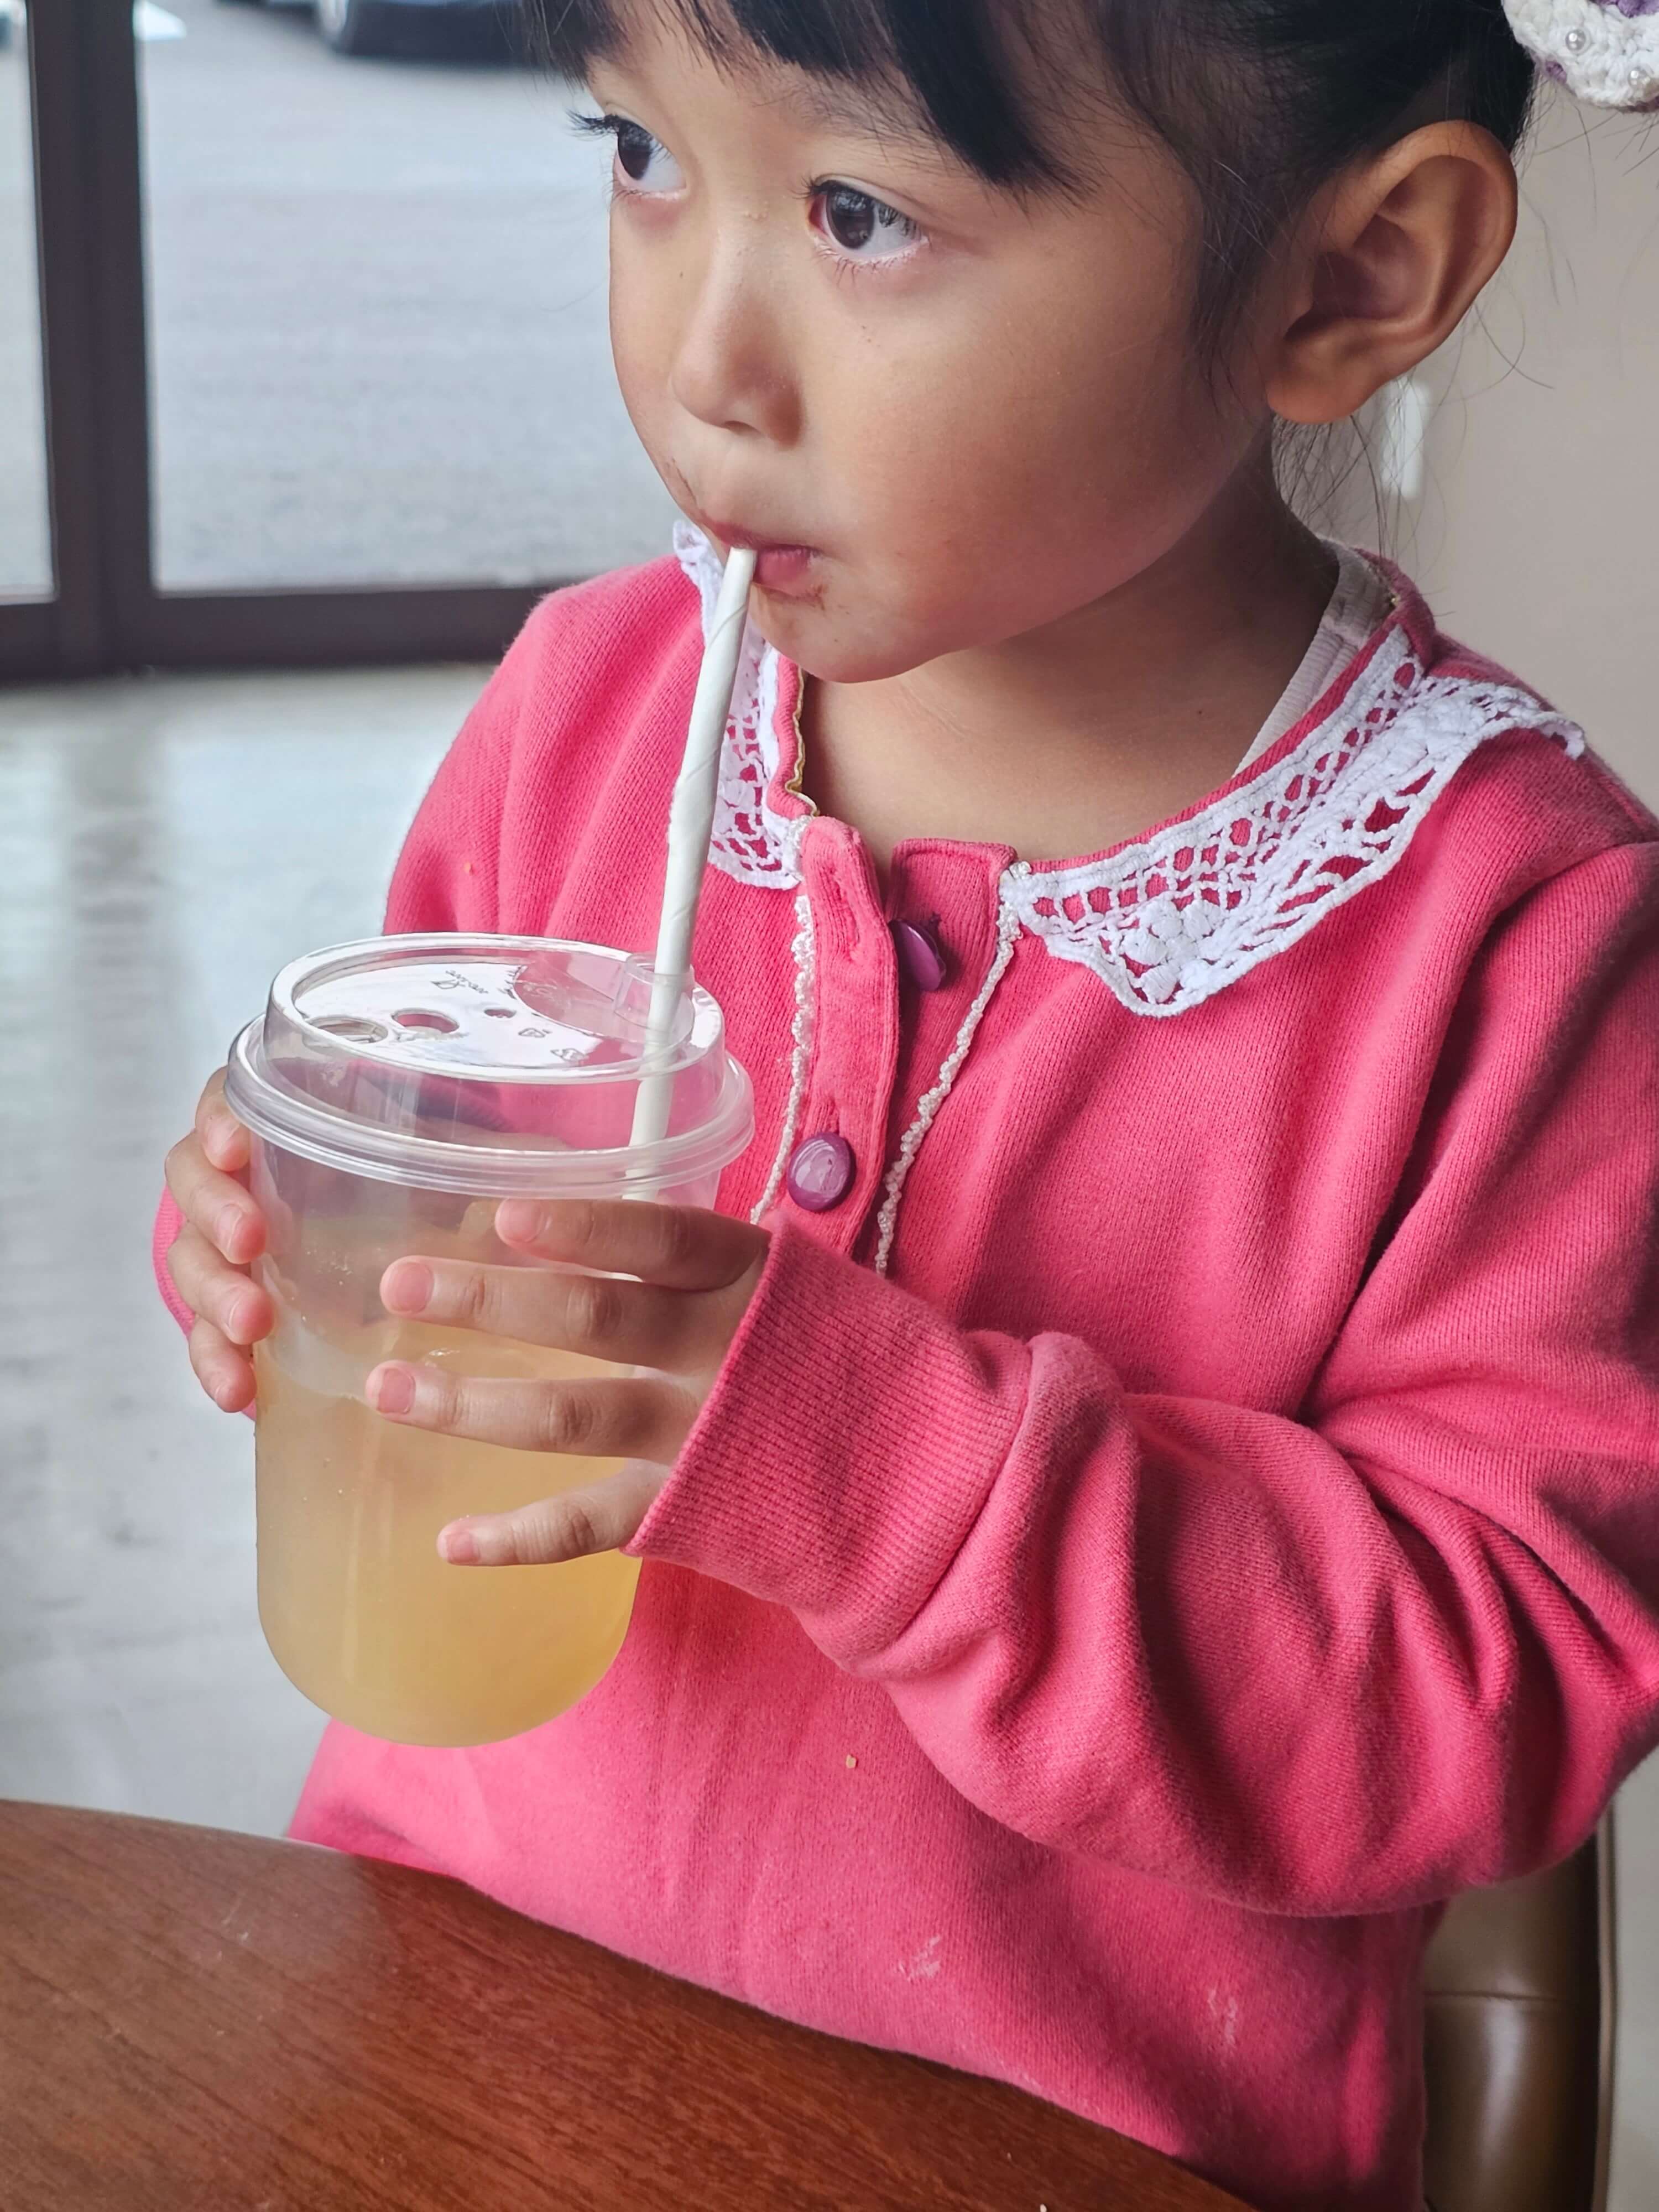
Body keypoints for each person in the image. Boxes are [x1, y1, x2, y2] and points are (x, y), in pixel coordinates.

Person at [156, 2, 1659, 2203]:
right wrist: (273, 1231)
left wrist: (875, 1468)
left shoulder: (1510, 943)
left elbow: (1490, 1700)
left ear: (1353, 276)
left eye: (859, 212)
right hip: (438, 2065)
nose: (700, 362)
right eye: (641, 156)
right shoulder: (585, 715)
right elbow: (433, 1187)